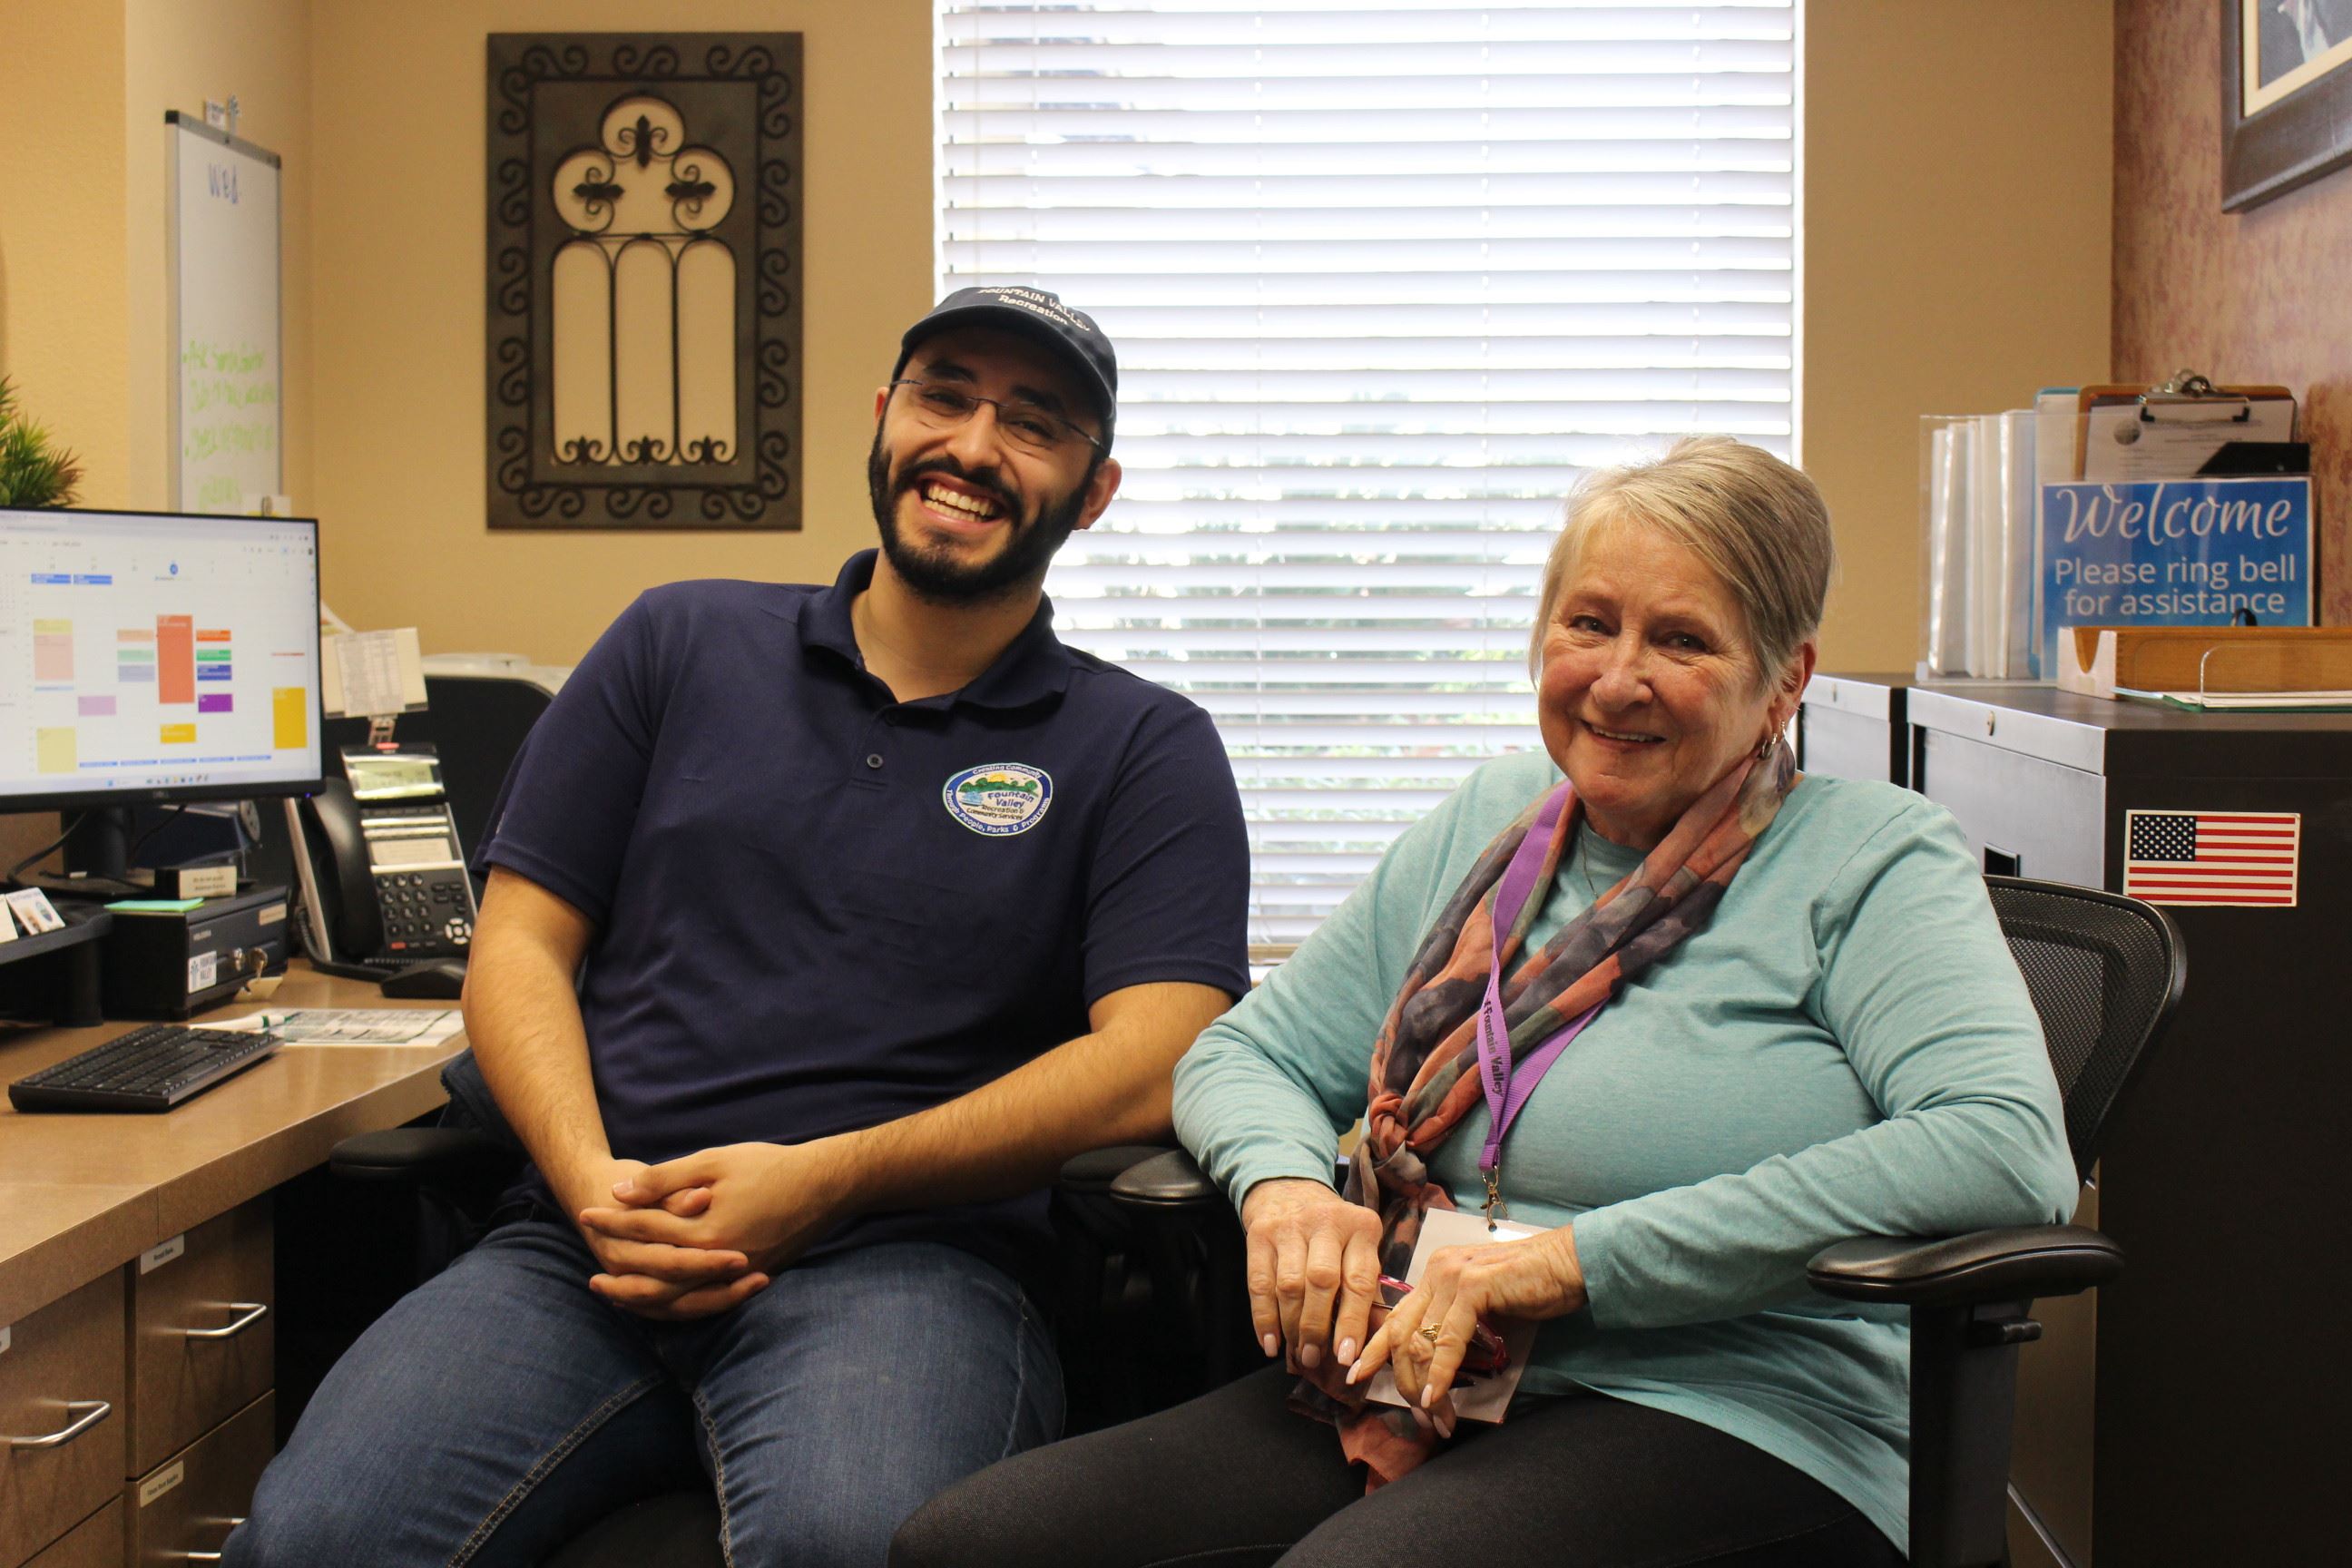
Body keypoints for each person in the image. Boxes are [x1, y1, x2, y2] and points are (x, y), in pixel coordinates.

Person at [891, 436, 2078, 1568]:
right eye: (1588, 624)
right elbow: (1245, 1053)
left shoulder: (1871, 857)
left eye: (1682, 640)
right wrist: (1291, 1190)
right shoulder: (1493, 825)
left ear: (1785, 681)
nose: (1618, 679)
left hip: (1748, 1402)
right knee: (974, 1546)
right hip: (1421, 1362)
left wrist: (1570, 1263)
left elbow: (2001, 1150)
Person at [230, 287, 1250, 1568]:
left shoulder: (1142, 746)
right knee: (314, 1541)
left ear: (1094, 491)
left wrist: (827, 1180)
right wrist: (590, 1178)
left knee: (851, 1546)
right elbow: (519, 944)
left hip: (909, 1271)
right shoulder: (678, 641)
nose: (976, 446)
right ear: (884, 421)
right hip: (584, 1243)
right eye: (944, 396)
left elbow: (1159, 1054)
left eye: (1035, 423)